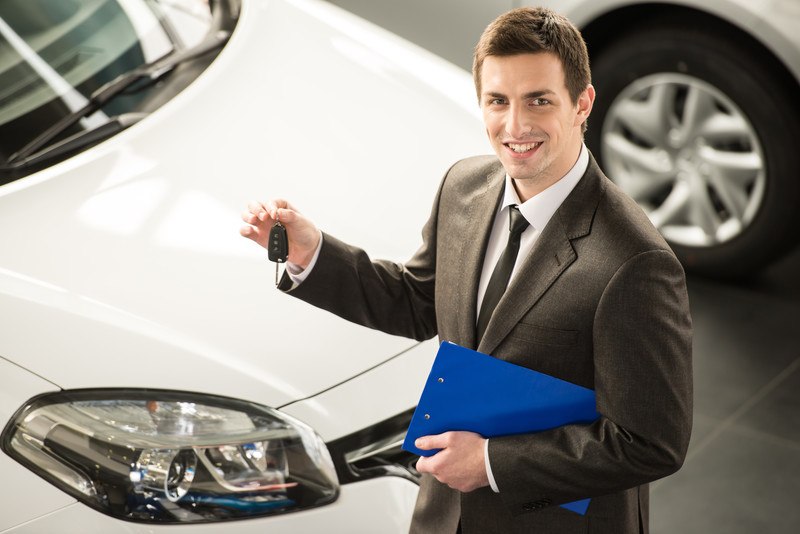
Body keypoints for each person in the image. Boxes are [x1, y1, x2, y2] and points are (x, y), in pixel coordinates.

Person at [240, 6, 692, 534]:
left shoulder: (637, 264)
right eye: (498, 101)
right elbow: (418, 302)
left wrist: (491, 463)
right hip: (446, 513)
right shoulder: (463, 187)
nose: (515, 126)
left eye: (539, 100)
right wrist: (312, 254)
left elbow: (650, 444)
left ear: (582, 103)